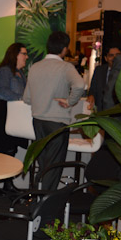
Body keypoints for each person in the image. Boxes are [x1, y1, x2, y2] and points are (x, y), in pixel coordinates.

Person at [23, 31, 85, 190]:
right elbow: (80, 85)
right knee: (54, 166)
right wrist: (70, 101)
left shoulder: (35, 67)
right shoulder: (65, 67)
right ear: (64, 49)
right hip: (57, 122)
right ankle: (45, 202)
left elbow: (27, 98)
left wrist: (41, 99)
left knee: (44, 164)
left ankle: (38, 198)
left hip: (38, 121)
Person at [0, 42, 29, 195]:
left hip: (13, 114)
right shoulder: (4, 71)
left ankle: (7, 183)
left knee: (11, 149)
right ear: (15, 54)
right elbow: (1, 91)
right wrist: (22, 99)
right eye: (24, 54)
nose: (26, 57)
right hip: (1, 112)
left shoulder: (20, 73)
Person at [86, 46, 121, 111]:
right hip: (101, 110)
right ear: (106, 58)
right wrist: (91, 95)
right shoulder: (99, 70)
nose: (115, 58)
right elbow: (92, 89)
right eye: (111, 55)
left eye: (117, 55)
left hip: (118, 111)